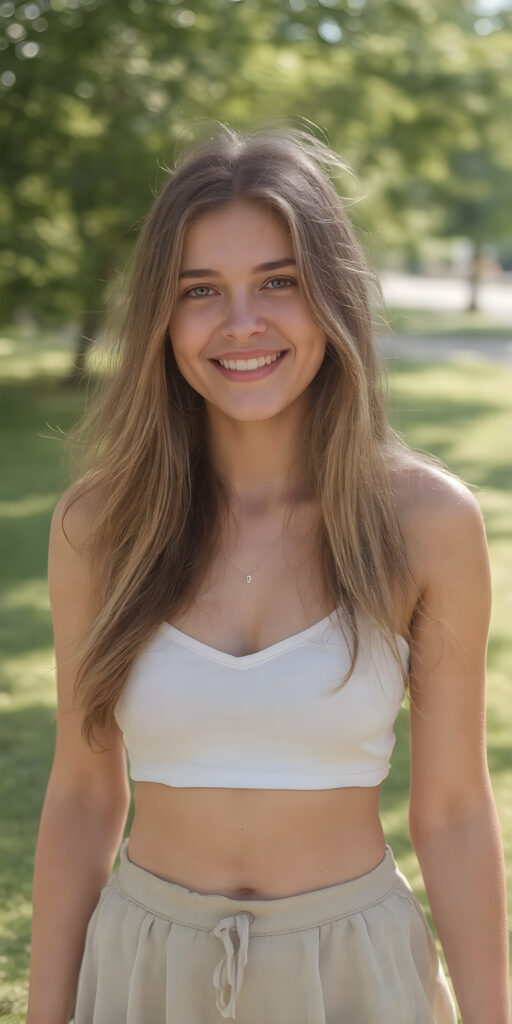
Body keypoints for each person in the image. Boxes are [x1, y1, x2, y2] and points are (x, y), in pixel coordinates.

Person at [26, 123, 509, 1024]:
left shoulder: (425, 523)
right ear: (161, 317)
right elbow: (86, 794)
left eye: (278, 283)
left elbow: (451, 811)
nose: (241, 323)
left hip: (355, 972)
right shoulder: (98, 525)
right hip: (146, 970)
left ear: (332, 298)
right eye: (200, 289)